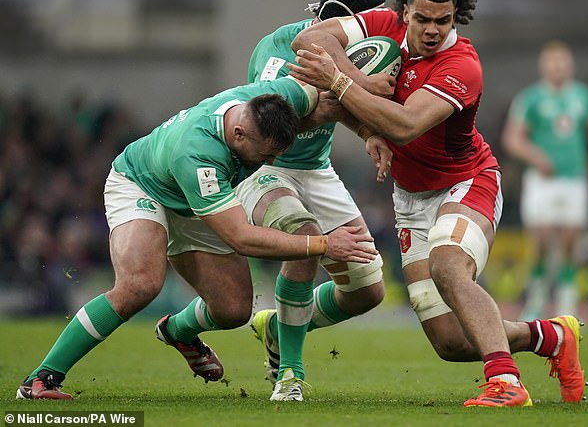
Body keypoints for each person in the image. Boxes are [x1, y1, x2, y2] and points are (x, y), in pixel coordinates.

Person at [288, 0, 585, 406]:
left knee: (450, 267)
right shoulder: (383, 23)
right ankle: (551, 336)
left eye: (442, 21)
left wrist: (339, 79)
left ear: (455, 19)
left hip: (466, 184)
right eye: (422, 18)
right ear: (404, 12)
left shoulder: (462, 64)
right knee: (449, 340)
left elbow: (406, 126)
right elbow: (308, 40)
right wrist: (363, 90)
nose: (430, 30)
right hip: (410, 198)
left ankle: (505, 382)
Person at [16, 77, 377, 400]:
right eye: (266, 155)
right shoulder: (199, 154)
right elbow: (241, 238)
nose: (269, 161)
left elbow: (331, 98)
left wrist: (370, 132)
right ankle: (40, 380)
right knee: (140, 285)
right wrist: (324, 244)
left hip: (197, 201)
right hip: (142, 187)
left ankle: (177, 332)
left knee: (234, 311)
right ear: (238, 135)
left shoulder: (277, 98)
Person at [241, 0, 391, 401]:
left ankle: (278, 325)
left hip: (317, 169)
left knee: (367, 291)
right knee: (304, 237)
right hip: (266, 167)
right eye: (367, 16)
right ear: (342, 15)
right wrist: (355, 88)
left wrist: (368, 133)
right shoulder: (278, 47)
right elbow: (271, 123)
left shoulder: (353, 53)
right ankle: (290, 372)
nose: (372, 26)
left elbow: (344, 101)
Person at [502, 40, 588, 321]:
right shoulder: (531, 98)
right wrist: (536, 157)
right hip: (542, 181)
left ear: (570, 65)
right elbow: (513, 139)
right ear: (544, 66)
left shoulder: (583, 97)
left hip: (574, 179)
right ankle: (535, 301)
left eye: (563, 62)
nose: (558, 67)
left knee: (571, 243)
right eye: (553, 62)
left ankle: (567, 305)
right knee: (542, 241)